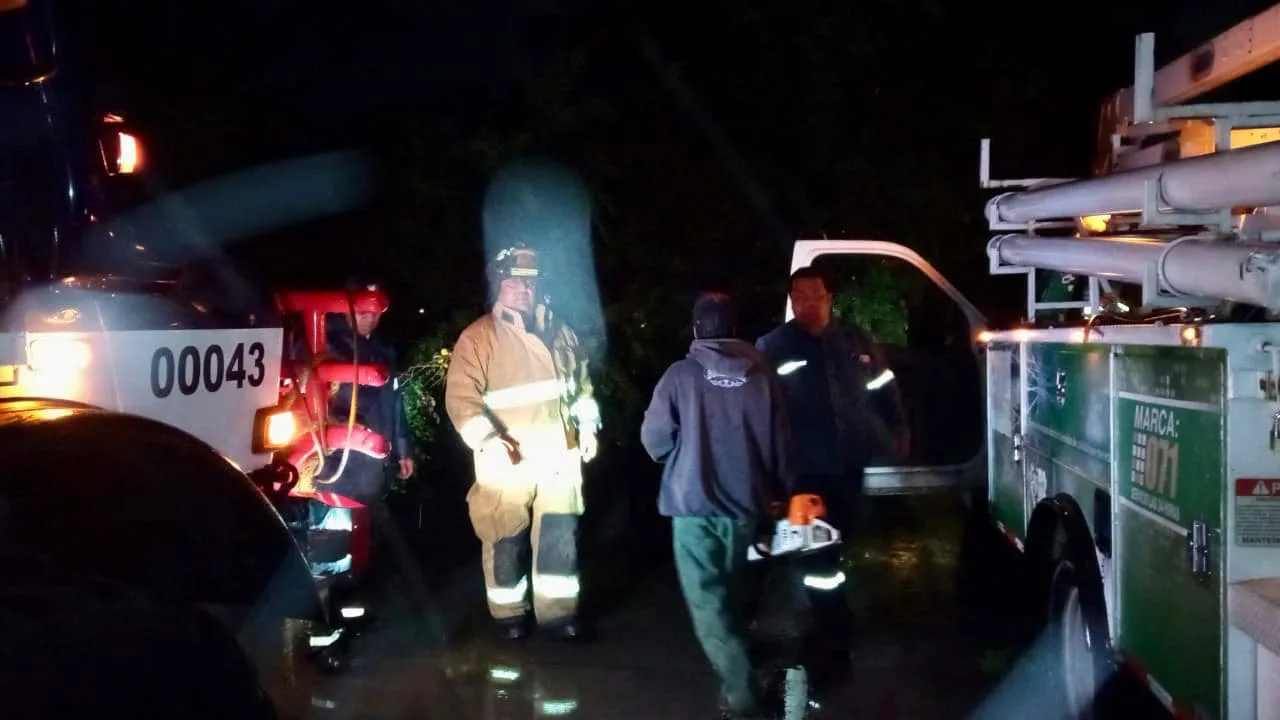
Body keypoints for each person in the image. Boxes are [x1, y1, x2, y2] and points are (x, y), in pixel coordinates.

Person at [754, 265, 908, 691]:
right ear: (792, 300)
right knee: (816, 559)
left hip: (849, 466)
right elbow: (758, 411)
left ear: (829, 297)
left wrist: (898, 430)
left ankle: (832, 622)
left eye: (815, 296)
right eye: (799, 297)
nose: (808, 304)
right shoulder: (773, 346)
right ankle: (832, 637)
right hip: (803, 476)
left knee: (838, 547)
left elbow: (883, 386)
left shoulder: (855, 341)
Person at [640, 292, 794, 720]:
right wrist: (783, 492)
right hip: (746, 506)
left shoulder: (678, 376)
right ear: (735, 328)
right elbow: (782, 445)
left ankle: (741, 693)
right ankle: (743, 665)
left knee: (708, 604)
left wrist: (680, 456)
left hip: (692, 508)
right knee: (734, 593)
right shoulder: (764, 377)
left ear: (696, 330)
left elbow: (654, 441)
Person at [444, 246, 599, 642]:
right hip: (507, 459)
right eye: (514, 281)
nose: (523, 289)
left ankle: (558, 614)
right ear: (499, 285)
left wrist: (588, 428)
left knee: (559, 536)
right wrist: (487, 440)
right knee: (505, 536)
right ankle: (509, 613)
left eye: (530, 282)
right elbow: (462, 399)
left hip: (558, 458)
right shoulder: (479, 337)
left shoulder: (561, 332)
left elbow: (581, 388)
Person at [291, 279, 417, 577]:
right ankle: (325, 585)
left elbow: (394, 401)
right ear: (345, 307)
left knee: (360, 524)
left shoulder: (383, 349)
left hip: (371, 460)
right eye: (361, 310)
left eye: (374, 312)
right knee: (329, 526)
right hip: (333, 459)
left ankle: (352, 580)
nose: (368, 317)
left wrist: (403, 449)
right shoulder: (321, 342)